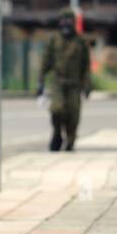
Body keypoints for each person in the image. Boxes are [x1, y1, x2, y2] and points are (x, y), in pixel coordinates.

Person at [36, 8, 91, 152]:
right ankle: (57, 133)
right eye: (63, 21)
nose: (66, 24)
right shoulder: (54, 40)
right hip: (57, 82)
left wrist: (87, 85)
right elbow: (45, 61)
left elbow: (86, 66)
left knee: (73, 115)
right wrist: (40, 81)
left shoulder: (80, 42)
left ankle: (70, 140)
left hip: (74, 83)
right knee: (57, 109)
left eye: (69, 21)